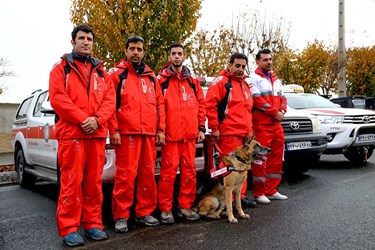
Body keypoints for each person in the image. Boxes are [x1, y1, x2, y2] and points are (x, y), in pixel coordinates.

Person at [49, 24, 115, 247]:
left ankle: (93, 224)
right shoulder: (61, 68)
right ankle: (68, 228)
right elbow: (58, 99)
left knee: (94, 184)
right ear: (73, 42)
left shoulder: (102, 72)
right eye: (81, 38)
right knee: (71, 183)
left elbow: (110, 101)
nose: (86, 42)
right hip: (72, 136)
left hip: (95, 136)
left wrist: (96, 120)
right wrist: (82, 119)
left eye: (89, 38)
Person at [108, 35, 166, 233]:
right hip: (127, 133)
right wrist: (114, 129)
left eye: (139, 49)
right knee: (125, 175)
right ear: (126, 51)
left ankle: (144, 212)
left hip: (149, 134)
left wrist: (160, 129)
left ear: (143, 52)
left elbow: (160, 105)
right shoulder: (117, 75)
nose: (135, 52)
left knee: (148, 175)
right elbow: (110, 105)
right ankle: (121, 215)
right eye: (132, 48)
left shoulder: (151, 77)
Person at [157, 42, 206, 224]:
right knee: (168, 174)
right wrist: (160, 130)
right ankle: (165, 209)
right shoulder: (161, 81)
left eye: (179, 53)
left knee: (189, 172)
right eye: (173, 53)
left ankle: (185, 207)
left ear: (184, 56)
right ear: (169, 57)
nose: (177, 56)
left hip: (190, 136)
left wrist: (201, 127)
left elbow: (202, 105)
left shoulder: (192, 83)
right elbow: (158, 107)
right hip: (171, 136)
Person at [205, 52, 256, 209]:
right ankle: (230, 201)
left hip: (244, 135)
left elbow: (247, 110)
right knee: (230, 170)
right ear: (230, 65)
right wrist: (214, 128)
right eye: (237, 66)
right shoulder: (222, 82)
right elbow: (210, 105)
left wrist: (250, 132)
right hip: (229, 134)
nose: (240, 69)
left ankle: (239, 197)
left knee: (243, 168)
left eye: (243, 66)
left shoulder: (245, 84)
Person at [248, 48, 288, 204]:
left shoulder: (276, 79)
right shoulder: (252, 78)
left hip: (276, 124)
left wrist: (282, 111)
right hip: (262, 124)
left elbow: (283, 98)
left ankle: (271, 190)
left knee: (276, 158)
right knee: (260, 158)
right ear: (257, 61)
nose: (268, 62)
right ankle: (259, 193)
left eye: (270, 59)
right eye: (265, 60)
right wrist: (275, 112)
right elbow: (257, 100)